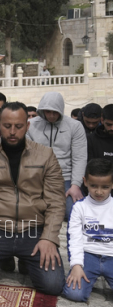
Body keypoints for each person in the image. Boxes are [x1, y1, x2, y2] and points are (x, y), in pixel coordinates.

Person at [0, 102, 65, 295]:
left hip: (33, 229)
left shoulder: (45, 155)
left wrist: (49, 238)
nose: (12, 131)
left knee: (52, 285)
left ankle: (27, 259)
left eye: (18, 126)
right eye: (7, 126)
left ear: (27, 126)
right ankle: (5, 257)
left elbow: (56, 201)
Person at [27, 92, 87, 222]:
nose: (51, 115)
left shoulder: (75, 126)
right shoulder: (30, 125)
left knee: (75, 214)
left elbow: (79, 157)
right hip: (37, 179)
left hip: (65, 178)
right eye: (47, 111)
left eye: (55, 112)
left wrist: (75, 185)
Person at [63, 158, 113, 302]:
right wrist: (76, 265)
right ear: (85, 182)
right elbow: (74, 239)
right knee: (74, 293)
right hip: (88, 257)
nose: (99, 191)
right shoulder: (79, 207)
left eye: (105, 187)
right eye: (93, 186)